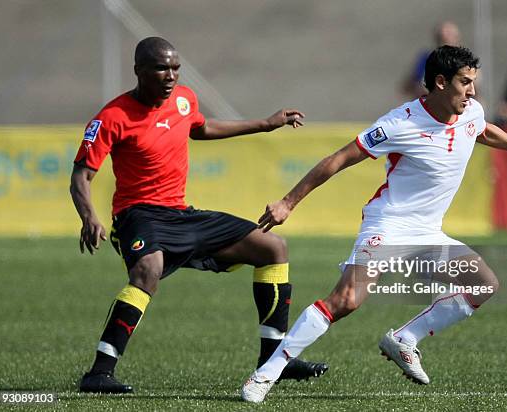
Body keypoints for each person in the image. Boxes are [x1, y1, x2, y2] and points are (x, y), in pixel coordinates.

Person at [240, 45, 507, 403]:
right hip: (388, 224)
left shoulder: (471, 111)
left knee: (483, 283)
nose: (472, 91)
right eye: (465, 83)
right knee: (347, 299)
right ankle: (267, 373)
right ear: (440, 82)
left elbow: (482, 131)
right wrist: (288, 202)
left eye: (473, 82)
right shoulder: (400, 123)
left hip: (428, 231)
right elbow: (338, 159)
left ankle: (406, 339)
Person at [70, 36, 327, 394]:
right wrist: (89, 217)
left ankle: (273, 361)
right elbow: (81, 175)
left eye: (175, 68)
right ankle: (99, 372)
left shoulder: (184, 99)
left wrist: (266, 124)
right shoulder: (112, 117)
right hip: (137, 215)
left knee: (272, 248)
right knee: (148, 270)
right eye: (161, 68)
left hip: (180, 214)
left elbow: (201, 128)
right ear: (139, 71)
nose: (170, 75)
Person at [401, 21, 461, 99]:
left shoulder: (463, 62)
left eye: (449, 36)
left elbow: (474, 88)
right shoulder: (426, 58)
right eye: (440, 38)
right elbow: (408, 85)